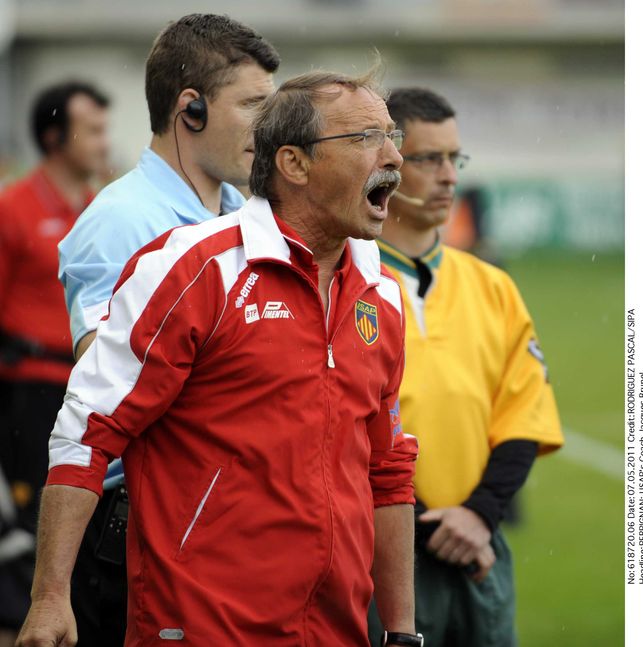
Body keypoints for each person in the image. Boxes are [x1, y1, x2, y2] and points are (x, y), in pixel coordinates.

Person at [17, 68, 422, 647]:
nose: (392, 157)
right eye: (363, 139)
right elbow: (87, 431)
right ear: (295, 164)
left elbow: (386, 472)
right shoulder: (193, 266)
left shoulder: (380, 293)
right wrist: (51, 596)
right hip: (203, 627)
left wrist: (402, 631)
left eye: (392, 136)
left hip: (336, 632)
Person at [54, 14, 280, 647]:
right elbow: (103, 383)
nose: (269, 126)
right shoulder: (120, 220)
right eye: (254, 105)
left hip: (222, 520)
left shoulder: (242, 212)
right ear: (192, 109)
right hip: (141, 530)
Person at [368, 87, 565, 646]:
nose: (449, 175)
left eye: (456, 158)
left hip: (480, 546)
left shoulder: (492, 285)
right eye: (429, 159)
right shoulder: (345, 279)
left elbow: (526, 413)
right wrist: (430, 523)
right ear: (386, 164)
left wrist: (479, 516)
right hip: (380, 552)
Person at [0, 81, 110, 645]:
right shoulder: (13, 207)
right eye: (91, 129)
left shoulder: (98, 208)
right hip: (31, 390)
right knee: (27, 527)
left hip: (91, 390)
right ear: (53, 136)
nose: (104, 141)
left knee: (87, 522)